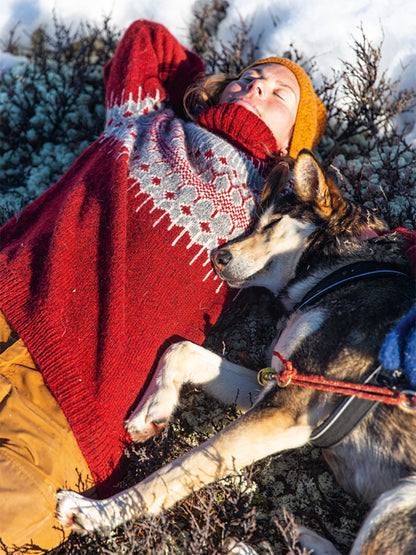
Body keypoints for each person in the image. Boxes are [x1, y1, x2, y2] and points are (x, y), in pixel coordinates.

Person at [0, 19, 327, 551]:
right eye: (248, 77)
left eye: (279, 94)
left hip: (72, 402)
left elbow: (361, 244)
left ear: (296, 140)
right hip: (10, 300)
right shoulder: (146, 118)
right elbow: (146, 40)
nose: (256, 87)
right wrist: (202, 93)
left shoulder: (272, 213)